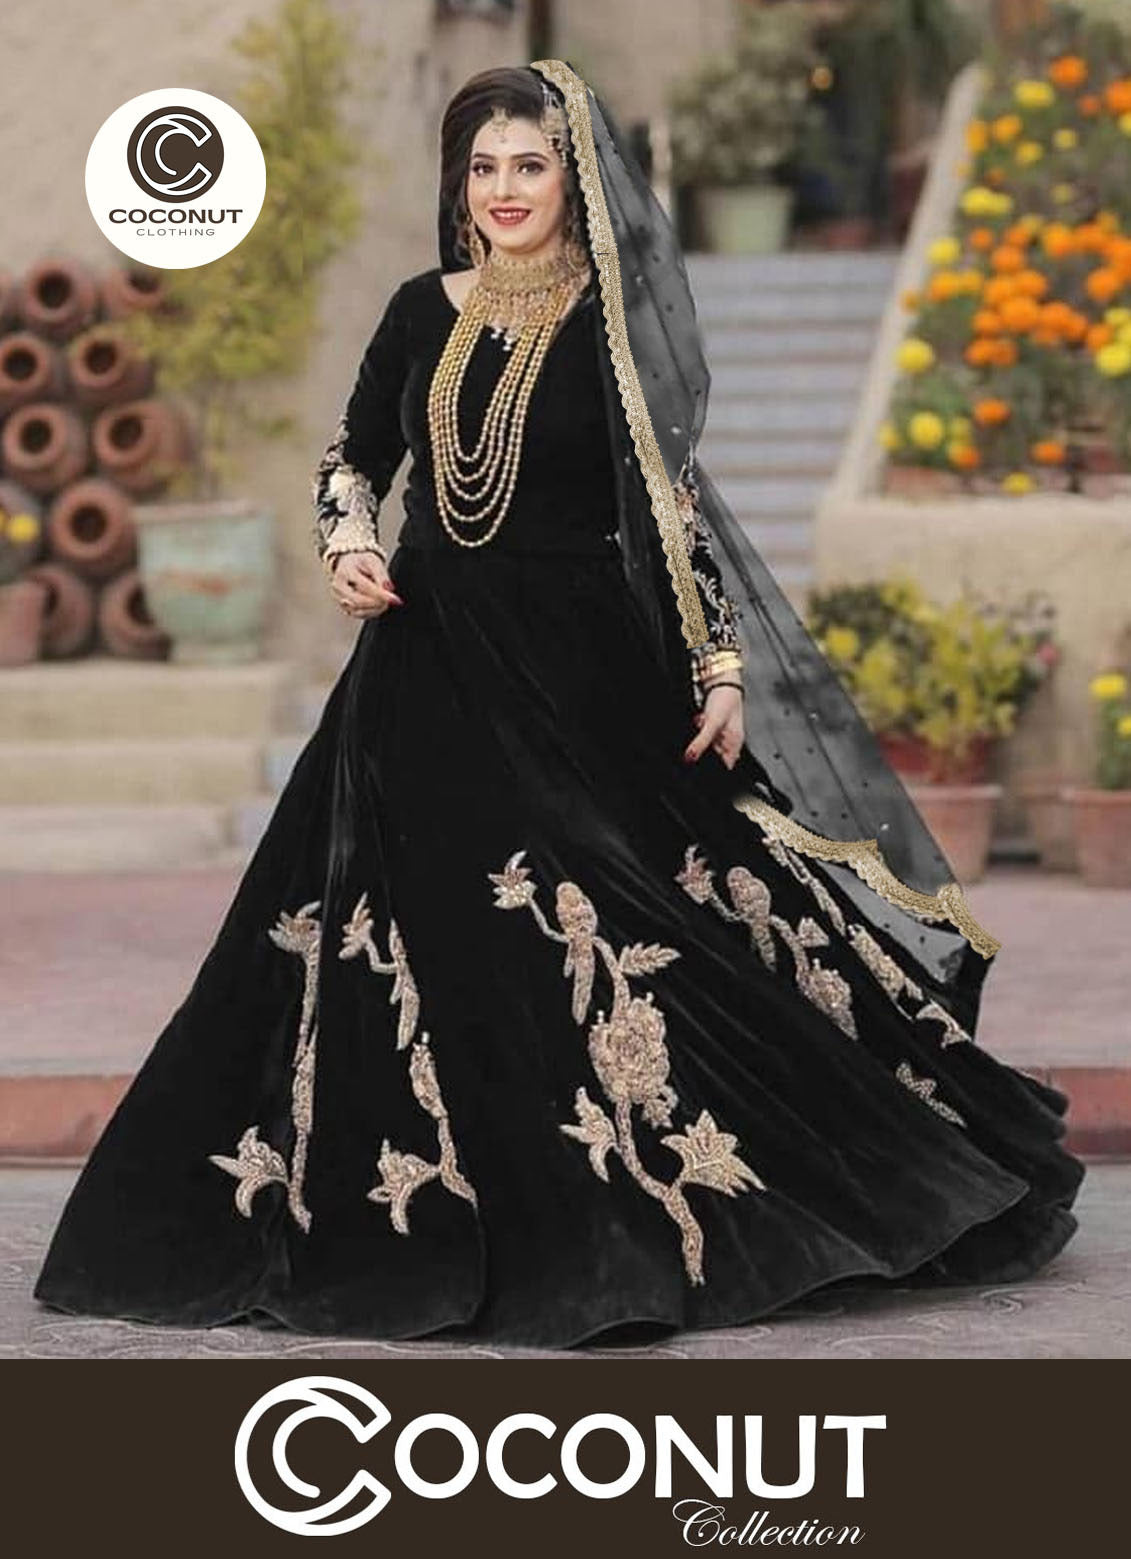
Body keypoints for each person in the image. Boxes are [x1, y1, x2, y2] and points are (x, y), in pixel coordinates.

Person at [33, 61, 1083, 1350]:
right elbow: (354, 456)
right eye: (483, 168)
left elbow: (672, 509)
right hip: (424, 667)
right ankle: (446, 1218)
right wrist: (349, 538)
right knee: (429, 931)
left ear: (572, 178)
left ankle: (649, 1210)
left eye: (529, 165)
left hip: (586, 674)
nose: (504, 190)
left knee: (629, 916)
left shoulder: (614, 327)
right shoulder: (419, 310)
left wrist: (721, 668)